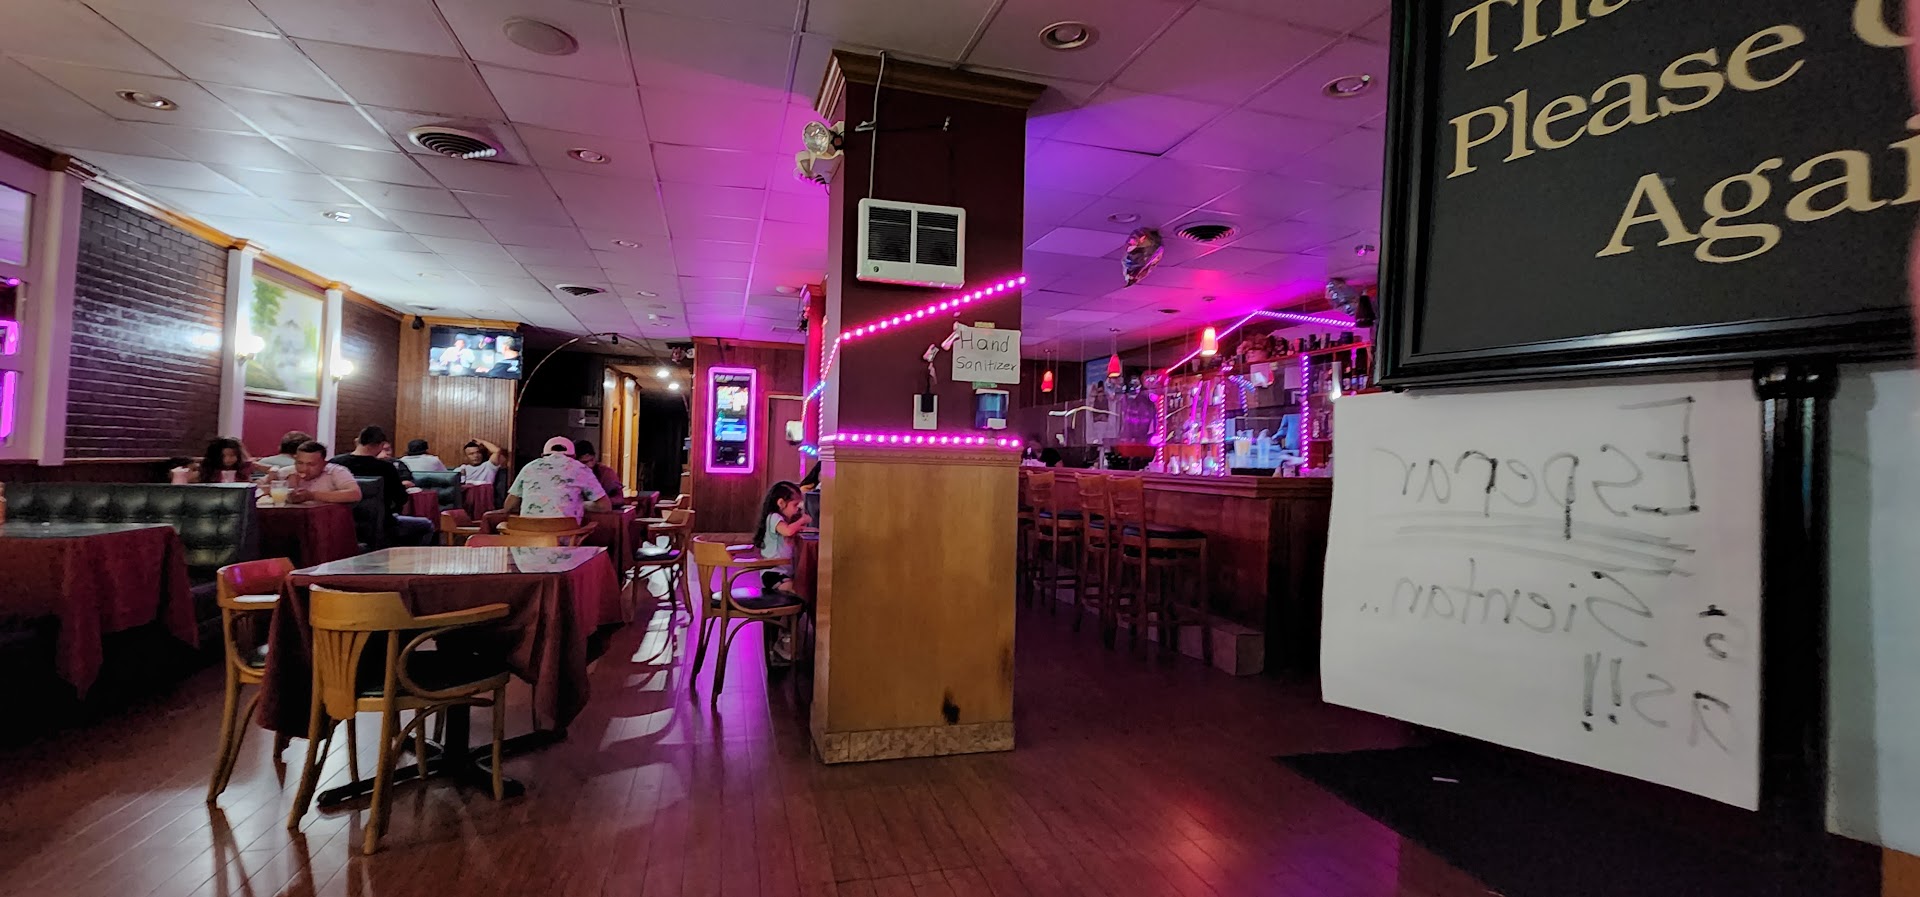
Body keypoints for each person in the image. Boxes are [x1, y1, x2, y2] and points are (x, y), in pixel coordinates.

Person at [331, 426, 434, 546]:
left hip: (342, 524)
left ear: (357, 441)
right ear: (380, 445)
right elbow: (401, 499)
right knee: (426, 525)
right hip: (383, 524)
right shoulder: (386, 468)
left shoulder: (335, 464)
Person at [504, 437, 609, 521]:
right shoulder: (581, 469)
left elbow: (509, 506)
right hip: (565, 537)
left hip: (527, 536)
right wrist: (578, 504)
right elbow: (605, 506)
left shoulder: (529, 467)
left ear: (543, 455)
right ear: (573, 456)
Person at [753, 480, 812, 594]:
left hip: (783, 572)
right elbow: (788, 531)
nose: (797, 509)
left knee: (801, 589)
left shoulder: (784, 521)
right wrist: (802, 520)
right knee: (797, 591)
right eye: (795, 505)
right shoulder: (773, 517)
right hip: (773, 573)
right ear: (781, 503)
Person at [283, 442, 362, 504]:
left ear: (324, 463)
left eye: (311, 464)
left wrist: (312, 496)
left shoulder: (336, 472)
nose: (304, 469)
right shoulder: (289, 472)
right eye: (300, 463)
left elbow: (355, 494)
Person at [573, 440, 624, 506]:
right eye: (584, 462)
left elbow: (619, 498)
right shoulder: (569, 475)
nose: (590, 465)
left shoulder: (606, 473)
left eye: (592, 460)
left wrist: (601, 503)